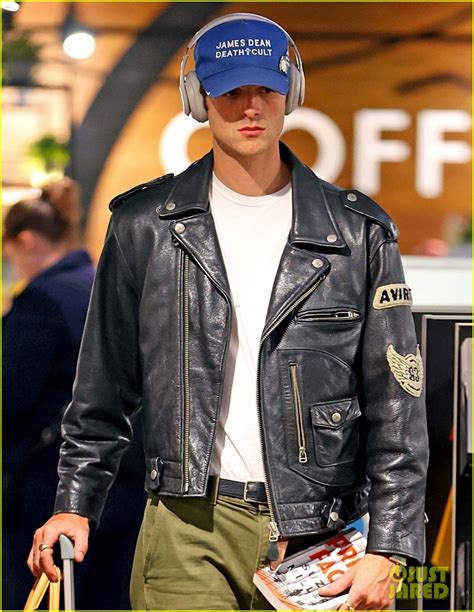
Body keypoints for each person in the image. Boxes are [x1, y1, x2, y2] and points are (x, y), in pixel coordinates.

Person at [28, 13, 429, 611]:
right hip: (187, 529)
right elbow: (102, 389)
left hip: (323, 535)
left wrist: (391, 544)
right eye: (230, 90)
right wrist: (72, 505)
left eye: (265, 89)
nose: (250, 107)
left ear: (290, 94)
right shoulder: (145, 226)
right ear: (198, 97)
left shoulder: (358, 232)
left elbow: (398, 404)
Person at [3, 178, 95, 609]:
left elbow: (11, 396)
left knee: (35, 595)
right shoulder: (95, 282)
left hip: (44, 480)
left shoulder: (43, 299)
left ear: (24, 241)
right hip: (101, 479)